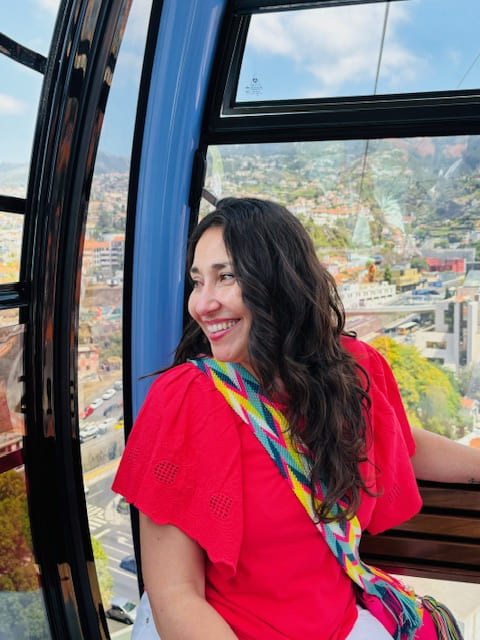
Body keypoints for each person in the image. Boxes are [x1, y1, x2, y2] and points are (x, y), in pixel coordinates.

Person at [112, 197, 480, 639]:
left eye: (225, 277)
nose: (201, 305)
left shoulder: (351, 370)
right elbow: (175, 595)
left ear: (280, 280)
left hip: (338, 622)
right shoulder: (184, 402)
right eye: (197, 282)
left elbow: (397, 440)